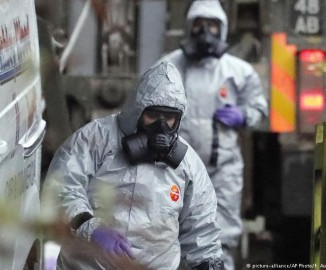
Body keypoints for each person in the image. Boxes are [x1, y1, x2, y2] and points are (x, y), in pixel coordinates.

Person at [43, 62, 223, 269]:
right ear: (137, 110)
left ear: (179, 118)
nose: (161, 127)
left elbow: (202, 230)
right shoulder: (95, 140)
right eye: (153, 116)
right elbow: (60, 188)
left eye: (169, 118)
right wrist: (90, 227)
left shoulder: (188, 166)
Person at [157, 1, 269, 269]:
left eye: (212, 25)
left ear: (223, 28)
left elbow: (259, 108)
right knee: (168, 231)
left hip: (223, 168)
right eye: (198, 24)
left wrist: (243, 115)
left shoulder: (238, 72)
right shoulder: (169, 67)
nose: (204, 31)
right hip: (175, 168)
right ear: (188, 26)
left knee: (220, 237)